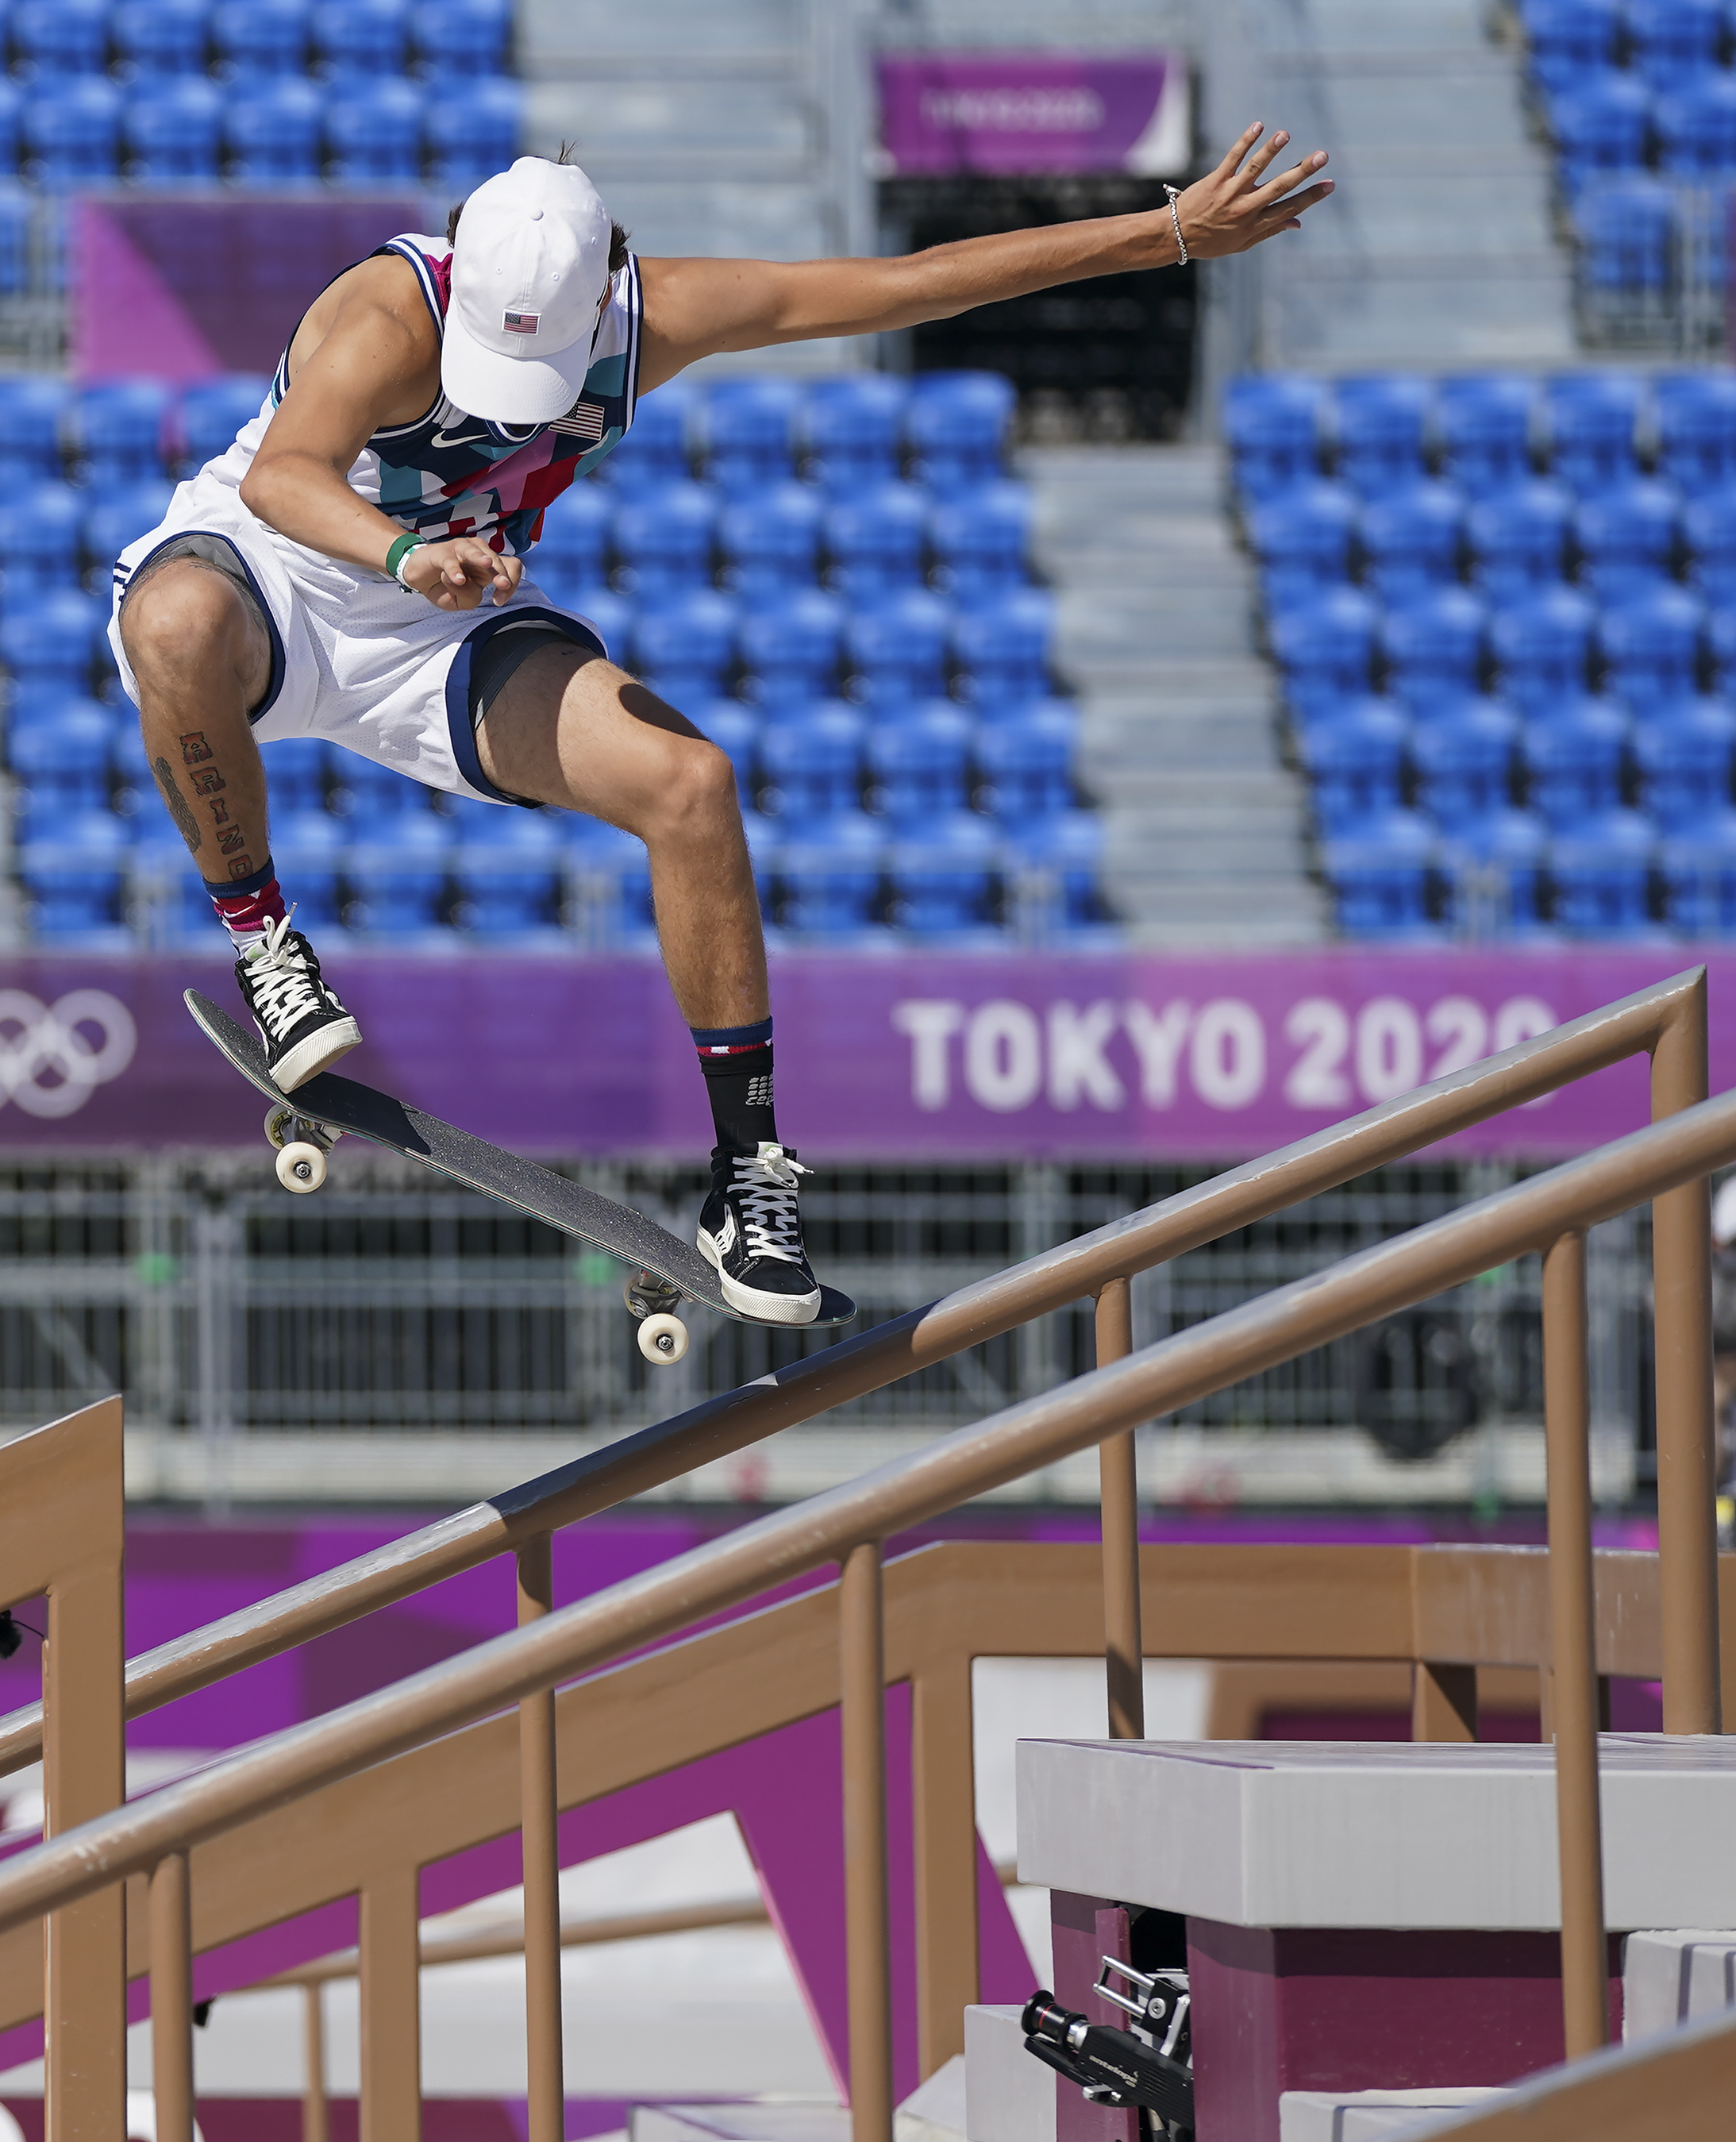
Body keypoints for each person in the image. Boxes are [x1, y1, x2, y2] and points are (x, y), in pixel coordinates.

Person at [110, 132, 1333, 1320]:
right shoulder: (388, 308)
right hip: (271, 580)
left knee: (689, 782)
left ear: (605, 290)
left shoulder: (660, 315)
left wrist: (1168, 231)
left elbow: (909, 285)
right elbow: (282, 476)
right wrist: (400, 551)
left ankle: (748, 1176)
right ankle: (267, 944)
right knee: (169, 628)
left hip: (439, 628)